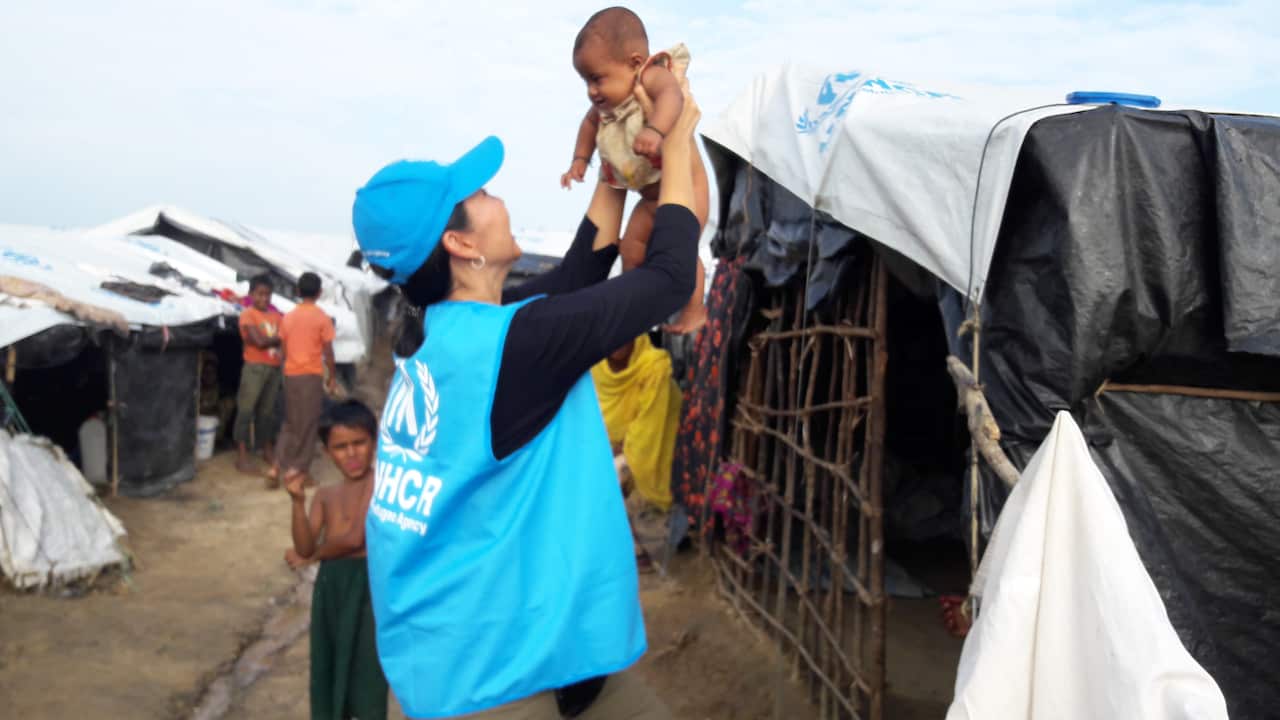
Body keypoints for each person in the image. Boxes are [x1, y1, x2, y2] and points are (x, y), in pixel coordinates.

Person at [349, 77, 702, 720]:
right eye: (478, 193)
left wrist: (615, 170)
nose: (494, 194)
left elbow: (573, 280)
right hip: (490, 683)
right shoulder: (517, 345)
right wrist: (676, 144)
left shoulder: (436, 333)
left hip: (485, 648)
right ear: (459, 244)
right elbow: (670, 277)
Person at [561, 6, 709, 334]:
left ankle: (695, 310)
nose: (591, 91)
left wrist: (655, 129)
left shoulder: (651, 76)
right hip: (649, 200)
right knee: (630, 248)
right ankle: (637, 308)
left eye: (597, 79)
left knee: (681, 253)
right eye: (585, 81)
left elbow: (673, 98)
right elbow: (588, 125)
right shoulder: (606, 108)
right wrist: (580, 161)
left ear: (634, 62)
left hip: (688, 192)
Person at [284, 399, 389, 720]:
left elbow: (357, 538)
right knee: (328, 661)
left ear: (374, 441)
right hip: (331, 588)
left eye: (359, 443)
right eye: (341, 447)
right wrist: (297, 502)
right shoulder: (326, 496)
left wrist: (315, 554)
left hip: (366, 586)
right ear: (328, 453)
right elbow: (302, 546)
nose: (352, 453)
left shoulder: (379, 483)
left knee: (366, 667)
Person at [592, 335, 683, 573]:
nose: (618, 341)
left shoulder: (653, 366)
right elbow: (594, 417)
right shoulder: (596, 368)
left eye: (626, 334)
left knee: (611, 476)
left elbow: (651, 423)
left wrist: (622, 448)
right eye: (614, 332)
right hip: (608, 444)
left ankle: (636, 550)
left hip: (657, 440)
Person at [274, 272, 337, 488]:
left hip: (291, 374)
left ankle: (275, 466)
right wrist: (333, 377)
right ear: (319, 293)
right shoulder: (322, 318)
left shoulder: (288, 317)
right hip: (310, 375)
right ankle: (298, 471)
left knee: (290, 423)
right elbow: (328, 352)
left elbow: (283, 350)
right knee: (309, 424)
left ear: (298, 292)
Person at [234, 275, 284, 475]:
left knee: (267, 412)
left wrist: (272, 339)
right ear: (251, 294)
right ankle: (242, 454)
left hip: (273, 368)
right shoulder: (248, 314)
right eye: (260, 294)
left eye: (268, 295)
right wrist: (278, 339)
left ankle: (267, 448)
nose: (264, 298)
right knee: (246, 410)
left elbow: (271, 340)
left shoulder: (277, 317)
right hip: (255, 367)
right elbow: (259, 342)